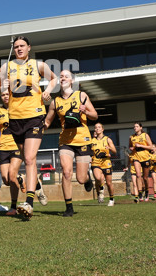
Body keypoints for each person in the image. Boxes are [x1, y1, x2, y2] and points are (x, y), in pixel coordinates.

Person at [0, 36, 57, 219]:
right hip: (15, 118)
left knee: (29, 158)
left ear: (29, 47)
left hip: (35, 116)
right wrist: (1, 87)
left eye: (22, 46)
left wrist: (47, 91)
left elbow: (54, 79)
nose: (19, 49)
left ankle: (28, 202)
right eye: (16, 47)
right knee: (28, 159)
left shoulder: (39, 65)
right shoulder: (6, 67)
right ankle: (36, 186)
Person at [44, 70, 98, 217]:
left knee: (80, 179)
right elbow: (48, 121)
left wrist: (85, 111)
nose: (63, 78)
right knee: (66, 172)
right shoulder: (55, 101)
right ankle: (69, 207)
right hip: (65, 141)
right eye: (61, 76)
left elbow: (95, 115)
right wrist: (38, 128)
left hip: (83, 140)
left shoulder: (81, 95)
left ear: (72, 81)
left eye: (66, 76)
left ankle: (87, 178)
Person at [0, 91, 25, 216]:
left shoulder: (19, 108)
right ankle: (21, 178)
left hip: (16, 145)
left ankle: (13, 208)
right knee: (6, 180)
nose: (5, 96)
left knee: (12, 176)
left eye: (7, 94)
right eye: (3, 95)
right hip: (3, 147)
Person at [90, 123, 117, 207]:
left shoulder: (107, 139)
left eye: (99, 127)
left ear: (102, 129)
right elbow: (89, 151)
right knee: (98, 178)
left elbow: (115, 151)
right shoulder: (92, 141)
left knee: (109, 183)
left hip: (106, 162)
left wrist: (110, 148)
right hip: (96, 162)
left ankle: (111, 199)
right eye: (96, 128)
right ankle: (101, 189)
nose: (97, 129)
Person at [129, 122, 153, 202]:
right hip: (136, 157)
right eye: (134, 126)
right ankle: (140, 194)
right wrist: (132, 148)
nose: (135, 128)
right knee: (138, 175)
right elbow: (130, 146)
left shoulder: (145, 135)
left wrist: (141, 145)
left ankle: (146, 191)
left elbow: (151, 147)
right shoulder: (131, 137)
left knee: (145, 178)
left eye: (136, 126)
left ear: (140, 128)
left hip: (145, 157)